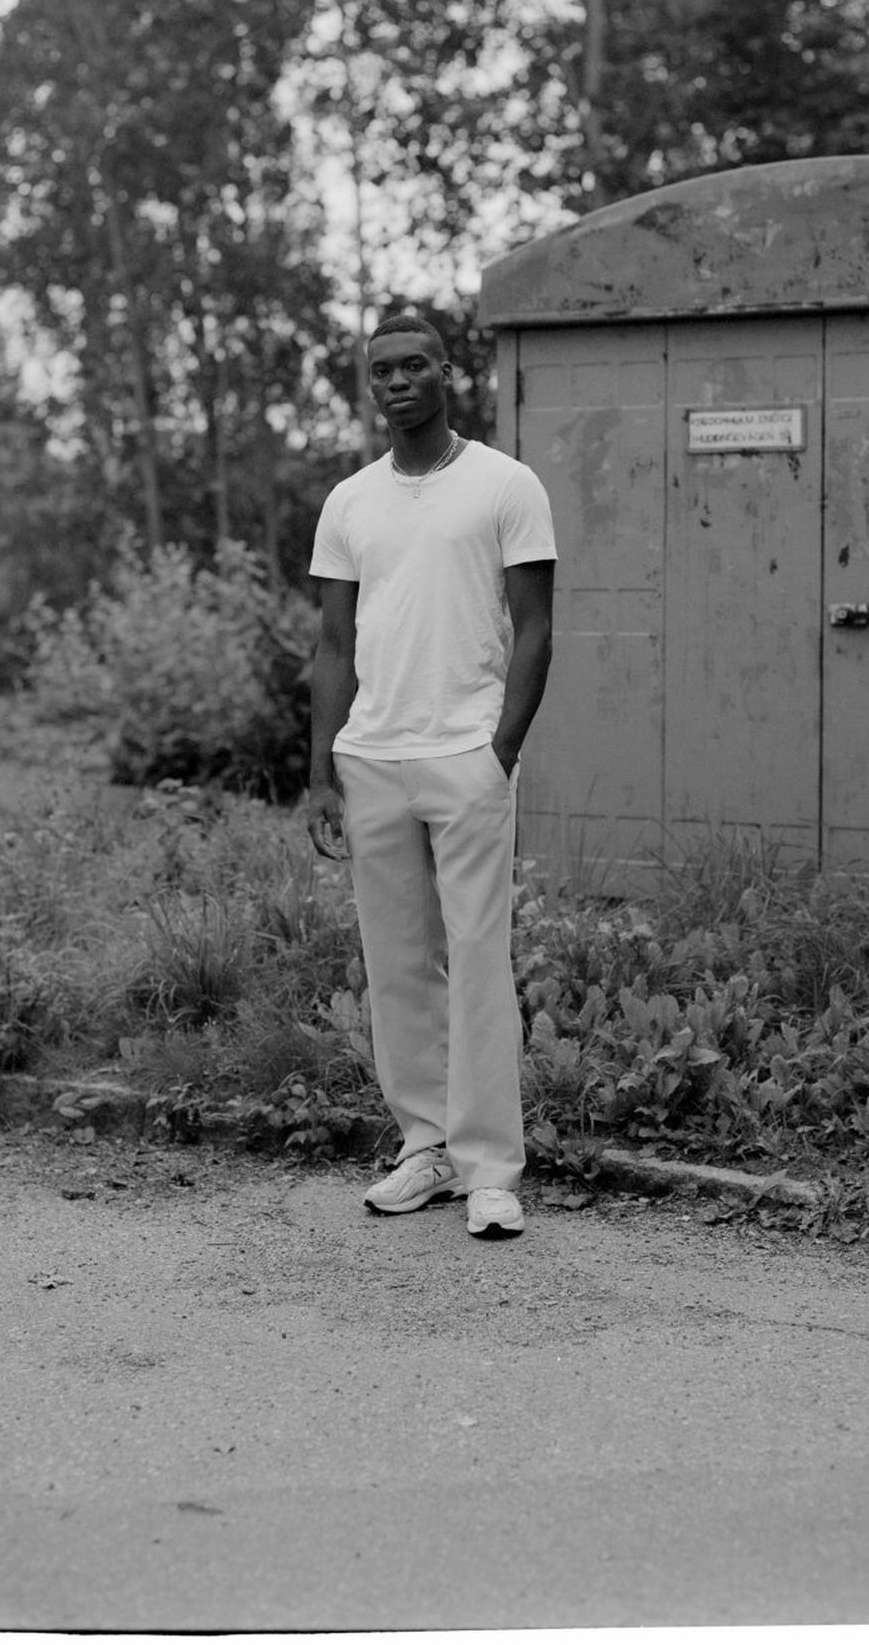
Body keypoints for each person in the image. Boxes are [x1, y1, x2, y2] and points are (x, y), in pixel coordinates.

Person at [306, 314, 556, 1240]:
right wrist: (321, 765)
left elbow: (535, 626)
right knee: (397, 964)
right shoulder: (351, 501)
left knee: (479, 959)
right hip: (371, 757)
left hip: (466, 755)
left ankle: (492, 1168)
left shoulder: (505, 484)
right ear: (370, 386)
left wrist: (502, 748)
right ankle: (426, 1147)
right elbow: (335, 642)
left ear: (450, 374)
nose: (399, 381)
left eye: (415, 365)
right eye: (383, 370)